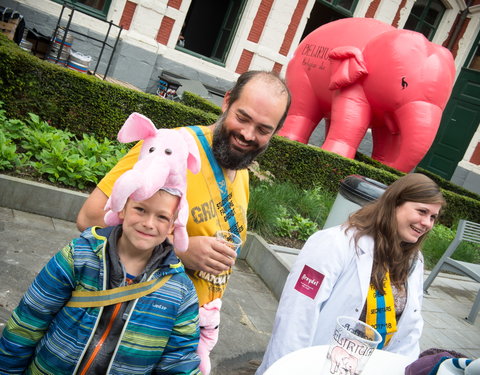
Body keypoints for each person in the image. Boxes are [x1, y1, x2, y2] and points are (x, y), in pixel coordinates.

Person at [76, 70, 291, 372]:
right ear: (226, 101)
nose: (248, 134)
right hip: (136, 326)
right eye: (242, 117)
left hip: (185, 333)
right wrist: (180, 249)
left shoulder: (240, 170)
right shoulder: (171, 147)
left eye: (263, 129)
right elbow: (90, 216)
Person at [256, 173, 446, 374]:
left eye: (433, 217)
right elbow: (296, 316)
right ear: (394, 204)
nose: (427, 223)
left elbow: (411, 329)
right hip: (315, 365)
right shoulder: (334, 243)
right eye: (422, 211)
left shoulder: (414, 261)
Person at [0, 185, 201, 372]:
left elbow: (179, 358)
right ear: (122, 209)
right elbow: (28, 321)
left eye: (162, 217)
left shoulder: (181, 291)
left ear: (173, 226)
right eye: (140, 209)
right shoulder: (78, 256)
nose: (148, 223)